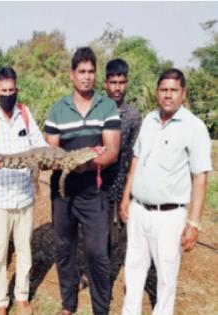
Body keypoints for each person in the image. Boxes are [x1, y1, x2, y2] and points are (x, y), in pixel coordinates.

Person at [120, 68, 212, 315]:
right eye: (163, 90)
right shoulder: (149, 120)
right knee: (134, 269)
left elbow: (200, 178)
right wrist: (126, 196)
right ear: (158, 92)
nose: (167, 95)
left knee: (166, 276)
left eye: (173, 90)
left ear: (183, 93)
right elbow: (136, 159)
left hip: (169, 216)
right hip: (139, 210)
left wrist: (193, 223)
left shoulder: (194, 127)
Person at [44, 47, 121, 315]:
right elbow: (51, 152)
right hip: (63, 192)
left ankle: (101, 308)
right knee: (64, 250)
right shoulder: (57, 110)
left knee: (97, 253)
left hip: (93, 192)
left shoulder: (107, 107)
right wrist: (65, 162)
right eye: (82, 72)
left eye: (91, 72)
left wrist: (87, 164)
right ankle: (68, 305)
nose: (87, 77)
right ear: (72, 75)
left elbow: (111, 151)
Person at [76, 58, 157, 306]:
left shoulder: (133, 116)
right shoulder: (97, 108)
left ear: (127, 83)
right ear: (106, 83)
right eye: (113, 82)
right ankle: (95, 277)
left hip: (121, 185)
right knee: (95, 238)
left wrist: (127, 193)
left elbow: (135, 155)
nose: (118, 87)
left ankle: (103, 280)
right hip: (95, 183)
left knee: (115, 239)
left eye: (122, 82)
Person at [0, 67, 47, 315]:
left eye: (11, 90)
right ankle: (0, 301)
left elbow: (40, 146)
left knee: (25, 250)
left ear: (16, 90)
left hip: (24, 197)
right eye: (3, 91)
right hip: (0, 200)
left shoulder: (25, 116)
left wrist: (44, 156)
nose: (8, 95)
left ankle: (22, 297)